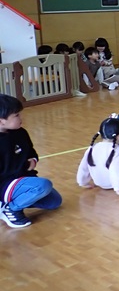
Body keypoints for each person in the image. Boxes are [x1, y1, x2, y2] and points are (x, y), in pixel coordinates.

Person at [0, 94, 62, 228]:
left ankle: (12, 202)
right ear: (1, 121)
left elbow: (31, 151)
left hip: (21, 179)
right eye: (16, 115)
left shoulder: (20, 132)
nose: (21, 118)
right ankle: (11, 209)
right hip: (5, 185)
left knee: (54, 201)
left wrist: (33, 160)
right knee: (43, 185)